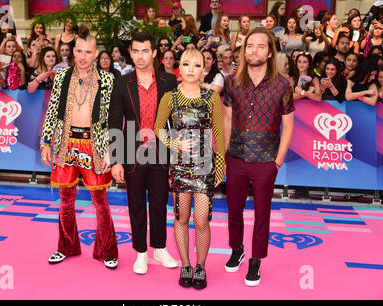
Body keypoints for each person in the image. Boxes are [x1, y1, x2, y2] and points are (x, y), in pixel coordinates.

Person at [40, 24, 118, 269]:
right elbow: (53, 111)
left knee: (100, 202)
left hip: (94, 146)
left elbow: (110, 118)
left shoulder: (107, 79)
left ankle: (107, 251)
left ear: (96, 54)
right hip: (65, 144)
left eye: (88, 52)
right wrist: (45, 141)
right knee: (65, 200)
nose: (83, 56)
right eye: (79, 51)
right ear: (73, 51)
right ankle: (67, 246)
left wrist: (110, 149)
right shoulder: (61, 76)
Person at [223, 27, 294, 287]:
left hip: (266, 160)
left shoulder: (282, 84)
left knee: (262, 213)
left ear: (270, 52)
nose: (254, 50)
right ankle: (237, 249)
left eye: (260, 46)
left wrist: (277, 162)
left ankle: (256, 259)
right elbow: (228, 118)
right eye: (249, 45)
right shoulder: (232, 81)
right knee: (233, 209)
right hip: (236, 157)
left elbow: (288, 125)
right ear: (243, 50)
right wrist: (224, 154)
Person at [154, 48, 225, 289]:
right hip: (180, 166)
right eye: (186, 64)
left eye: (196, 65)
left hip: (205, 167)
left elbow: (218, 132)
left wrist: (220, 164)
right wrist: (173, 142)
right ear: (179, 68)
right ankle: (186, 264)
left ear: (203, 69)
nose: (191, 70)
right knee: (181, 218)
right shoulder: (169, 97)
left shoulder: (211, 97)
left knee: (202, 220)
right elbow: (158, 127)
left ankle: (201, 266)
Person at [108, 31, 178, 275]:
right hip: (132, 153)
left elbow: (175, 122)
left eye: (145, 51)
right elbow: (115, 123)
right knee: (136, 205)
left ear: (155, 53)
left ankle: (160, 248)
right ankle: (141, 253)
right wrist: (115, 160)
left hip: (160, 153)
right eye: (135, 51)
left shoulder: (168, 81)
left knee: (160, 204)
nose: (140, 56)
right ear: (130, 53)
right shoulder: (121, 83)